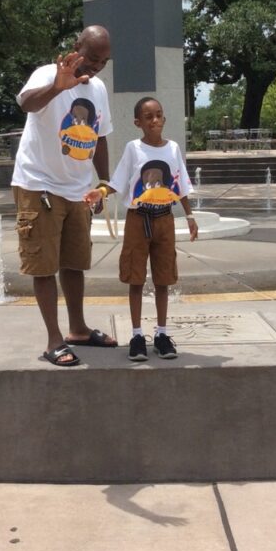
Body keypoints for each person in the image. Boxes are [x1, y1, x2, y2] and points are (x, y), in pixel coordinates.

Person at [12, 25, 118, 367]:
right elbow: (26, 104)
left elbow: (100, 137)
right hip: (39, 184)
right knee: (43, 266)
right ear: (77, 47)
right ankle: (53, 340)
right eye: (91, 58)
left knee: (74, 263)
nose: (96, 66)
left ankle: (78, 329)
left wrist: (102, 181)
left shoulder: (98, 88)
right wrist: (58, 86)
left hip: (76, 189)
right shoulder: (47, 74)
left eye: (103, 61)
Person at [84, 96, 198, 361]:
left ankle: (161, 333)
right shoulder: (134, 148)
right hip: (138, 219)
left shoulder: (172, 149)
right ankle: (136, 335)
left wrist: (190, 216)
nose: (155, 120)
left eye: (158, 115)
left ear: (164, 118)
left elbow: (180, 185)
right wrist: (100, 192)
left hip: (164, 219)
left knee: (164, 278)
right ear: (138, 122)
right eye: (148, 117)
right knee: (135, 278)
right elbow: (119, 180)